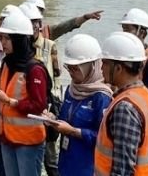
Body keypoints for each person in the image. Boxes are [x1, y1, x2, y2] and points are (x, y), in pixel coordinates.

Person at [0, 8, 48, 176]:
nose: (3, 43)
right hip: (7, 137)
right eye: (2, 38)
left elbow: (39, 105)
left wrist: (10, 102)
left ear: (20, 40)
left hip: (28, 141)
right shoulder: (7, 63)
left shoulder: (35, 69)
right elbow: (8, 91)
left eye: (7, 39)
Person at [95, 31, 148, 176]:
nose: (101, 68)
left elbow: (123, 170)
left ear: (119, 68)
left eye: (105, 63)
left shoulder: (125, 108)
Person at [47, 34, 112, 176]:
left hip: (88, 166)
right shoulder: (72, 89)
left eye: (75, 69)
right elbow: (65, 118)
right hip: (67, 162)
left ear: (92, 67)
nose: (71, 73)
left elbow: (104, 138)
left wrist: (73, 131)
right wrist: (52, 119)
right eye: (69, 68)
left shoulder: (101, 96)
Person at [19, 1, 60, 176]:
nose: (33, 26)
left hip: (47, 105)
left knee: (50, 156)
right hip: (29, 107)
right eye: (29, 22)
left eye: (35, 22)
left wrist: (54, 104)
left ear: (40, 24)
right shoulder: (20, 49)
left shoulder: (50, 46)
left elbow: (56, 75)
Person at [120, 8, 148, 99]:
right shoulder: (126, 56)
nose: (124, 34)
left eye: (128, 30)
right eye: (123, 29)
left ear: (142, 33)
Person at [24, 0, 103, 42]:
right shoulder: (15, 35)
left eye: (40, 11)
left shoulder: (46, 32)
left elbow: (67, 26)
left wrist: (85, 17)